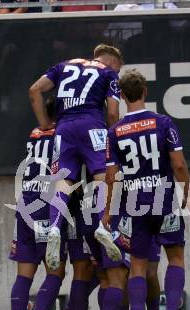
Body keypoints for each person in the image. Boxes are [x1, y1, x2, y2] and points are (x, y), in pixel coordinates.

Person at [104, 69, 190, 310]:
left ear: (121, 95)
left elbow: (110, 177)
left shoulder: (115, 131)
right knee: (176, 258)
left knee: (139, 267)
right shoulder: (163, 122)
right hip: (164, 198)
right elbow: (178, 164)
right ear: (145, 91)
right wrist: (187, 195)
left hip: (134, 203)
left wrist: (108, 211)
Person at [28, 44, 124, 272]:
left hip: (64, 128)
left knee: (63, 181)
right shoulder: (108, 73)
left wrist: (44, 124)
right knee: (104, 176)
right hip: (93, 125)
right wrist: (113, 139)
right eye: (119, 69)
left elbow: (34, 90)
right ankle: (103, 225)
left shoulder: (64, 66)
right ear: (112, 62)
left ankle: (54, 228)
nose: (118, 73)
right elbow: (112, 112)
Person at [9, 96, 69, 310]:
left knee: (24, 274)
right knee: (56, 271)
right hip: (47, 205)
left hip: (25, 205)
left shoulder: (34, 134)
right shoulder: (64, 134)